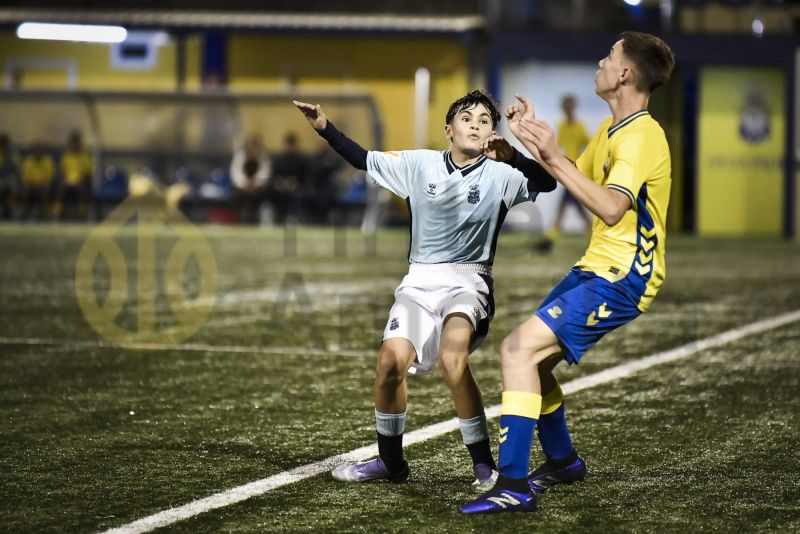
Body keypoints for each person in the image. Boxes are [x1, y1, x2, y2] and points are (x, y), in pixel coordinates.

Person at [293, 90, 556, 492]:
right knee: (389, 364)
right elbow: (364, 159)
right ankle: (391, 463)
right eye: (466, 118)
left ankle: (484, 466)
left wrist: (515, 158)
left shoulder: (502, 173)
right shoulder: (419, 164)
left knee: (453, 359)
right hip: (418, 282)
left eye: (485, 121)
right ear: (448, 129)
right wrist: (325, 128)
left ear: (492, 134)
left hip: (469, 282)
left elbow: (548, 182)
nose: (475, 125)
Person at [461, 31, 675, 514]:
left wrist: (553, 155)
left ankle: (513, 484)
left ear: (625, 74)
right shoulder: (613, 129)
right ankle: (562, 461)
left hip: (623, 277)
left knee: (517, 350)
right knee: (532, 362)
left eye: (610, 56)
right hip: (596, 268)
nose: (601, 61)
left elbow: (612, 207)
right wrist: (525, 147)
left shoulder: (642, 136)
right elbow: (570, 176)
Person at [535, 94, 592, 253]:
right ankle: (594, 237)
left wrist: (582, 164)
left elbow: (590, 145)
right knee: (576, 208)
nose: (567, 108)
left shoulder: (579, 127)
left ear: (573, 106)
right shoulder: (562, 126)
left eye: (569, 105)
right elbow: (558, 146)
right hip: (566, 171)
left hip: (574, 172)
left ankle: (550, 240)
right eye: (565, 105)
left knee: (565, 207)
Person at [267, 132, 308, 225]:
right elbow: (274, 176)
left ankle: (294, 218)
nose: (291, 148)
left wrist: (295, 183)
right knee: (270, 191)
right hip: (281, 187)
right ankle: (276, 217)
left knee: (295, 195)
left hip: (297, 187)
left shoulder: (302, 160)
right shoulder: (279, 160)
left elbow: (305, 177)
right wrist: (279, 183)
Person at [230, 133, 271, 224]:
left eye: (253, 147)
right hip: (242, 188)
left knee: (265, 194)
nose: (251, 149)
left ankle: (258, 220)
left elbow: (264, 174)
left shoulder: (263, 158)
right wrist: (244, 183)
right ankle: (237, 220)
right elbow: (235, 174)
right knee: (235, 195)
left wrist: (254, 184)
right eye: (249, 146)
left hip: (258, 188)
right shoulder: (239, 158)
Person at [58, 130, 93, 220]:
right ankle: (59, 213)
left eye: (75, 143)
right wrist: (65, 180)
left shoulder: (85, 156)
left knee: (83, 188)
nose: (74, 145)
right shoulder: (66, 155)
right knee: (60, 188)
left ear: (79, 143)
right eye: (72, 143)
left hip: (80, 182)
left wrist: (80, 181)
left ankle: (82, 214)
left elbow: (87, 172)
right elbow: (62, 170)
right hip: (67, 182)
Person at [21, 142, 56, 221]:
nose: (38, 152)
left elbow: (49, 178)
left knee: (46, 187)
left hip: (43, 186)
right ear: (32, 151)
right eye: (36, 150)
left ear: (43, 151)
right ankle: (24, 212)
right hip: (32, 186)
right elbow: (26, 179)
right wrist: (34, 185)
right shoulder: (28, 160)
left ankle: (44, 212)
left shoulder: (48, 160)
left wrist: (40, 185)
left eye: (40, 150)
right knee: (26, 188)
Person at [0, 134, 21, 219]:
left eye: (5, 145)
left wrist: (9, 181)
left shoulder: (13, 155)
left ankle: (13, 210)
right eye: (1, 145)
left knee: (14, 186)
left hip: (10, 180)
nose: (3, 147)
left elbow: (17, 172)